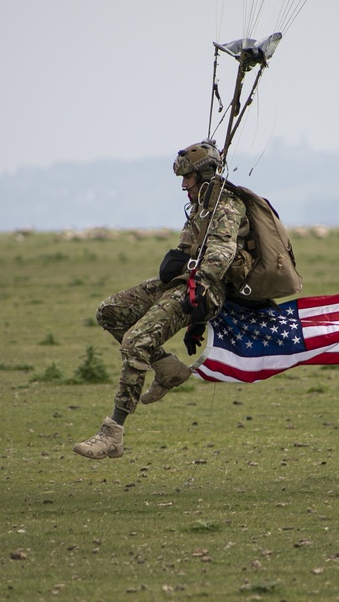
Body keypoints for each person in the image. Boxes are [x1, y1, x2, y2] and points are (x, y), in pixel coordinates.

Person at [73, 139, 256, 460]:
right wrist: (178, 260)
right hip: (181, 282)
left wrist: (197, 292)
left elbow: (221, 254)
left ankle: (112, 432)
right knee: (110, 312)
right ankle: (167, 368)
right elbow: (187, 247)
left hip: (204, 290)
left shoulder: (226, 206)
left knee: (135, 342)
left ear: (205, 175)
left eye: (188, 178)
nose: (184, 185)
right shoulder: (201, 205)